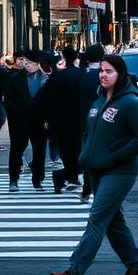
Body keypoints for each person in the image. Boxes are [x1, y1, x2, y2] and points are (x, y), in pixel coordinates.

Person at [49, 54, 138, 275]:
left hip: (120, 171)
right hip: (96, 170)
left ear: (120, 74)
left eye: (109, 71)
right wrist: (85, 155)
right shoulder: (97, 102)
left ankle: (74, 272)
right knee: (114, 222)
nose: (103, 75)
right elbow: (89, 134)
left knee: (96, 219)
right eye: (101, 70)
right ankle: (137, 267)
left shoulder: (130, 103)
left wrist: (115, 156)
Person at [40, 47, 97, 196]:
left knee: (66, 150)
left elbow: (48, 99)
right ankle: (67, 176)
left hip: (61, 119)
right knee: (79, 149)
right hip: (79, 118)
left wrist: (48, 118)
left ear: (63, 57)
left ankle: (67, 176)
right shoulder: (82, 75)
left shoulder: (57, 76)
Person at [3, 53, 48, 190]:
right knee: (17, 149)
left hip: (39, 119)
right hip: (19, 119)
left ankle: (38, 179)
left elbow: (52, 100)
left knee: (39, 150)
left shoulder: (46, 78)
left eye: (31, 62)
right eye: (26, 62)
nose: (27, 65)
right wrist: (15, 114)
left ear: (38, 63)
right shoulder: (15, 77)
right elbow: (8, 100)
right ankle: (13, 179)